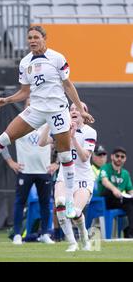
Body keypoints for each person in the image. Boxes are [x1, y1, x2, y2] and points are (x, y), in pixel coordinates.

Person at [0, 25, 95, 220]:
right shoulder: (25, 62)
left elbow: (68, 85)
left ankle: (70, 201)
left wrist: (79, 109)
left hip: (57, 111)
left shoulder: (57, 58)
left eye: (36, 37)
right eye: (29, 37)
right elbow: (24, 92)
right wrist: (7, 100)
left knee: (64, 156)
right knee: (5, 137)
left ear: (44, 39)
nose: (32, 40)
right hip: (36, 110)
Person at [39, 102, 97, 252]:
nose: (74, 111)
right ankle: (72, 243)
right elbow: (42, 142)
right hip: (64, 176)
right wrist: (48, 122)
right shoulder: (61, 130)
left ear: (85, 113)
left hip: (83, 178)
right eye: (71, 109)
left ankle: (84, 237)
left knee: (74, 213)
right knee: (59, 202)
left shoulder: (90, 132)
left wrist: (73, 138)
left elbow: (84, 157)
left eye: (78, 109)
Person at [2, 100, 57, 245]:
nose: (32, 107)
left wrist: (57, 163)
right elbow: (1, 142)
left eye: (35, 104)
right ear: (25, 107)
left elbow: (62, 142)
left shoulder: (47, 123)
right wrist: (10, 162)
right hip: (25, 171)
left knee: (46, 203)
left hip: (44, 171)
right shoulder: (20, 124)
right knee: (20, 202)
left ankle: (45, 234)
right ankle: (17, 235)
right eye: (29, 105)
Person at [97, 147, 133, 238]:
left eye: (122, 157)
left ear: (125, 159)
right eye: (117, 156)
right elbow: (105, 181)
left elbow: (130, 190)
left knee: (130, 205)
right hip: (105, 200)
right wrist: (114, 189)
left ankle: (129, 232)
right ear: (112, 157)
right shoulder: (105, 168)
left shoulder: (125, 173)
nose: (119, 158)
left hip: (119, 200)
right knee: (110, 191)